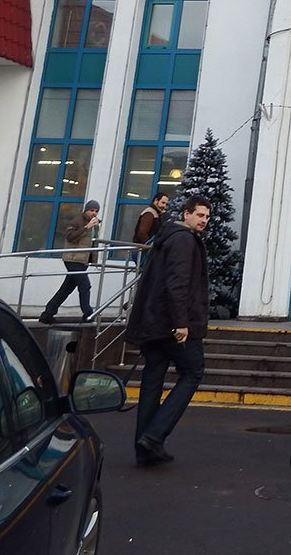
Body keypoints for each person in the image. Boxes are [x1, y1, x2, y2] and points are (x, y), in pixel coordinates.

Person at [124, 195, 211, 466]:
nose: (204, 221)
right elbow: (177, 284)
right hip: (172, 324)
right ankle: (153, 436)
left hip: (153, 322)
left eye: (207, 217)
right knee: (193, 371)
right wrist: (181, 323)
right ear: (186, 214)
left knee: (153, 379)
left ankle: (144, 448)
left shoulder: (167, 238)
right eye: (199, 215)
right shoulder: (184, 241)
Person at [39, 200, 101, 323]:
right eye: (91, 210)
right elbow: (70, 237)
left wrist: (92, 259)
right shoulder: (77, 221)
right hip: (72, 259)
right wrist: (86, 227)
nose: (94, 213)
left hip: (82, 260)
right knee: (85, 285)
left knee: (66, 288)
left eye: (96, 211)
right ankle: (88, 314)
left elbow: (92, 243)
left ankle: (48, 313)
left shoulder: (95, 225)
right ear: (86, 210)